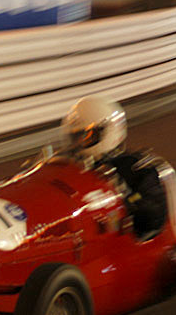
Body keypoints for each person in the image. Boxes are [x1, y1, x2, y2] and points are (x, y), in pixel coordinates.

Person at [61, 95, 167, 239]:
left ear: (108, 131)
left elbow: (153, 219)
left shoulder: (135, 168)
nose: (79, 143)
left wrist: (128, 200)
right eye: (76, 137)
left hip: (119, 245)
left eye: (86, 136)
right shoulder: (71, 166)